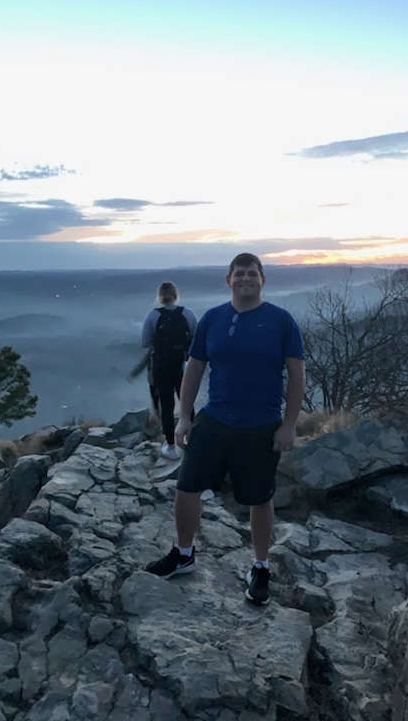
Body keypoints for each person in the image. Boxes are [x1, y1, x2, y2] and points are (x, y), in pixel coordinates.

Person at [146, 253, 306, 606]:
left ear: (263, 279)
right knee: (186, 487)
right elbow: (194, 368)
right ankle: (184, 553)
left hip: (262, 424)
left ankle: (260, 567)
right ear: (228, 279)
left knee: (260, 498)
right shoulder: (213, 319)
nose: (246, 278)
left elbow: (297, 375)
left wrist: (289, 425)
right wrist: (184, 417)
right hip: (215, 419)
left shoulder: (281, 321)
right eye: (240, 273)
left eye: (252, 273)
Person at [140, 282, 198, 460]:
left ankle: (171, 446)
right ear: (176, 295)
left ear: (160, 297)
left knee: (167, 405)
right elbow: (196, 338)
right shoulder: (188, 314)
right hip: (183, 366)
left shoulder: (153, 316)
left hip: (161, 367)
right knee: (187, 403)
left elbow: (145, 341)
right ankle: (193, 441)